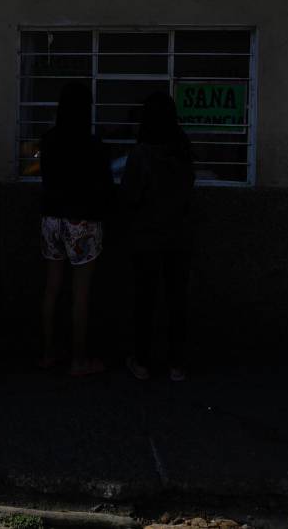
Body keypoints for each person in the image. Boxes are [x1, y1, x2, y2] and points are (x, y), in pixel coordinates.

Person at [37, 82, 114, 377]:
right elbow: (104, 187)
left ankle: (47, 354)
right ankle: (79, 360)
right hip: (81, 220)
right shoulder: (92, 144)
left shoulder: (48, 140)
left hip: (51, 219)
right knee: (81, 292)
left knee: (52, 287)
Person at [121, 93, 195, 382]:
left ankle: (142, 361)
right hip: (178, 235)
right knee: (177, 300)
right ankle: (176, 363)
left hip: (147, 237)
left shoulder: (142, 154)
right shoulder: (182, 148)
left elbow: (129, 196)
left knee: (145, 300)